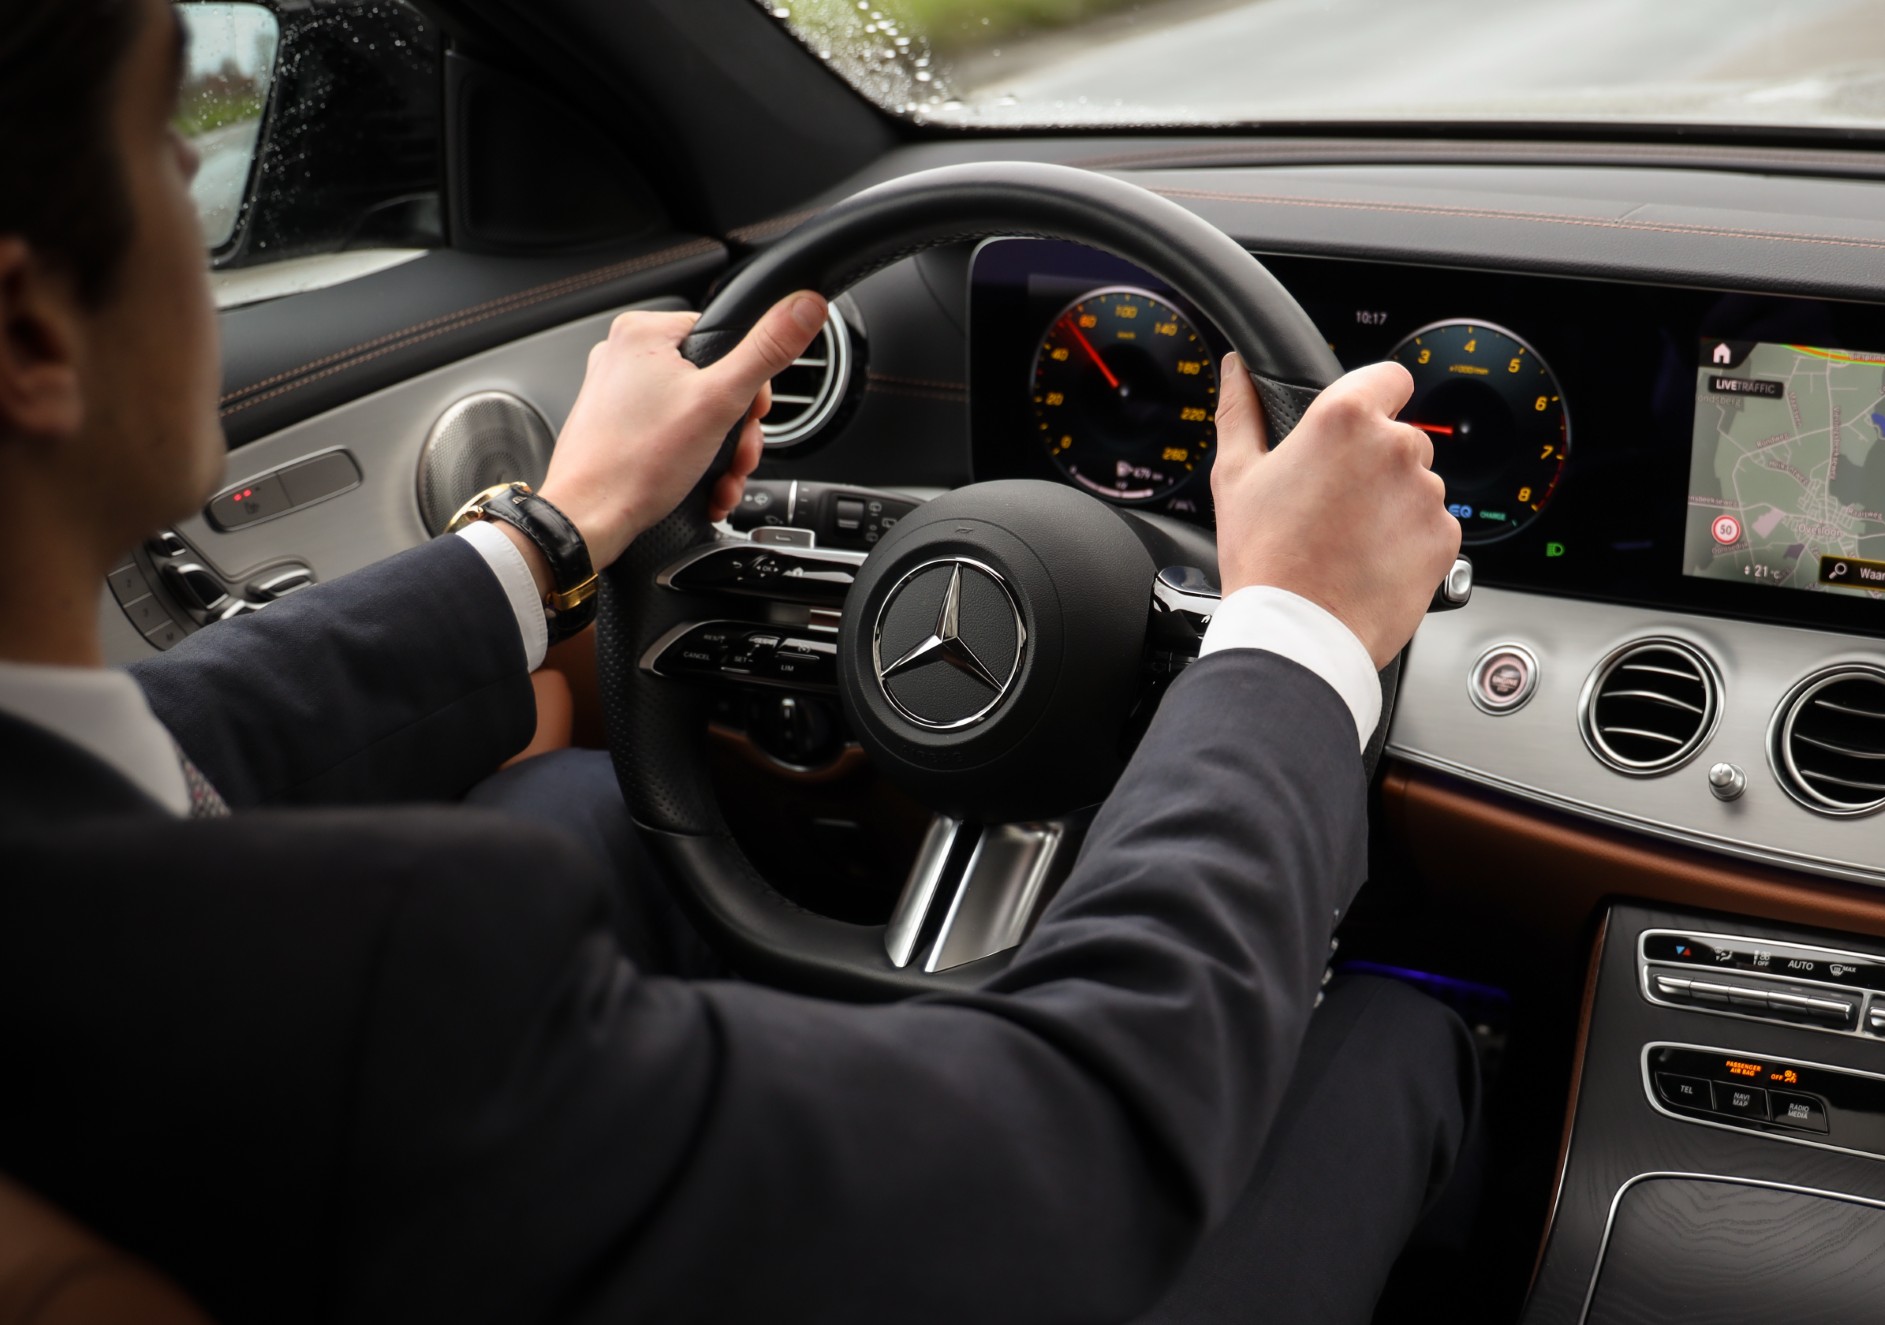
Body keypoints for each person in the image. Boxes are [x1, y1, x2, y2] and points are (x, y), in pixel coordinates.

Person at [0, 1, 1475, 1321]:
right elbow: (1070, 1158)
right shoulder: (376, 991)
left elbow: (171, 741)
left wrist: (559, 530)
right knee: (1393, 1037)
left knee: (575, 809)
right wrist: (1295, 628)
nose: (201, 188)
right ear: (31, 332)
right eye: (171, 155)